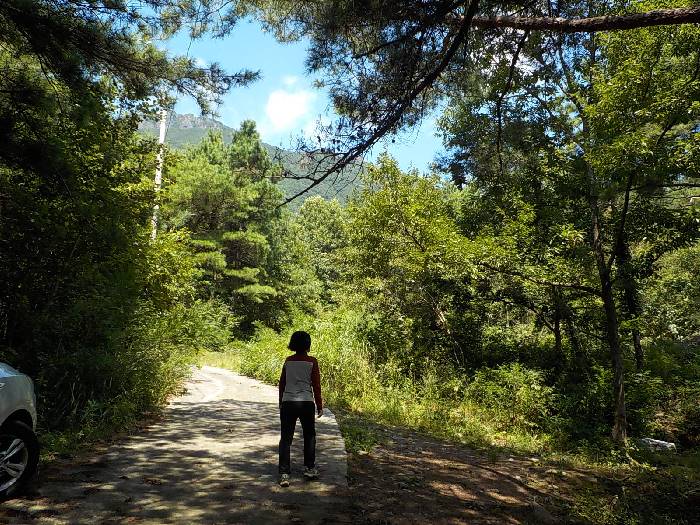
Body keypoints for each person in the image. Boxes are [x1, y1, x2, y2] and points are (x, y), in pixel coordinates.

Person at [278, 330, 323, 487]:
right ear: (308, 344)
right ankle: (310, 468)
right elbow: (316, 385)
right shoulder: (312, 362)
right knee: (309, 435)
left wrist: (280, 402)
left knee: (286, 437)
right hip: (306, 402)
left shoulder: (288, 361)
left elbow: (282, 384)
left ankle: (284, 473)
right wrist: (319, 405)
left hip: (288, 402)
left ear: (293, 344)